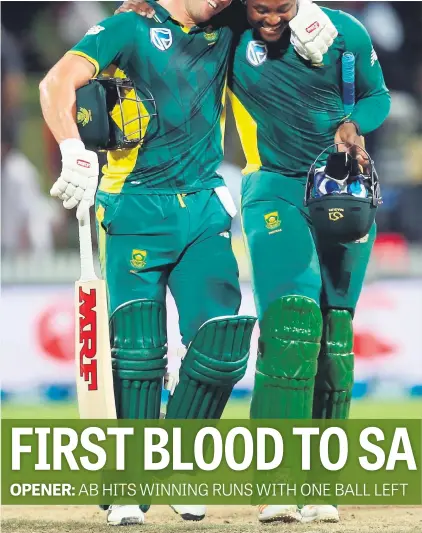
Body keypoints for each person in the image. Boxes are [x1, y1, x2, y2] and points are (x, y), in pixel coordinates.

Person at [40, 0, 339, 526]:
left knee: (223, 340)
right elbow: (55, 83)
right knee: (136, 352)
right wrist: (72, 148)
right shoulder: (128, 27)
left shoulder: (225, 20)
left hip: (203, 203)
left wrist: (310, 10)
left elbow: (273, 7)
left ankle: (172, 466)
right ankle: (129, 484)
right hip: (134, 204)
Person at [119, 0, 390, 525]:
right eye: (260, 9)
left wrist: (355, 124)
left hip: (344, 190)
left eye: (281, 9)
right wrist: (147, 7)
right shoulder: (228, 27)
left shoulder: (344, 33)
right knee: (291, 318)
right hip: (273, 188)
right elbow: (175, 19)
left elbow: (377, 96)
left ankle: (321, 485)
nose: (270, 20)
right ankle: (275, 484)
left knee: (336, 337)